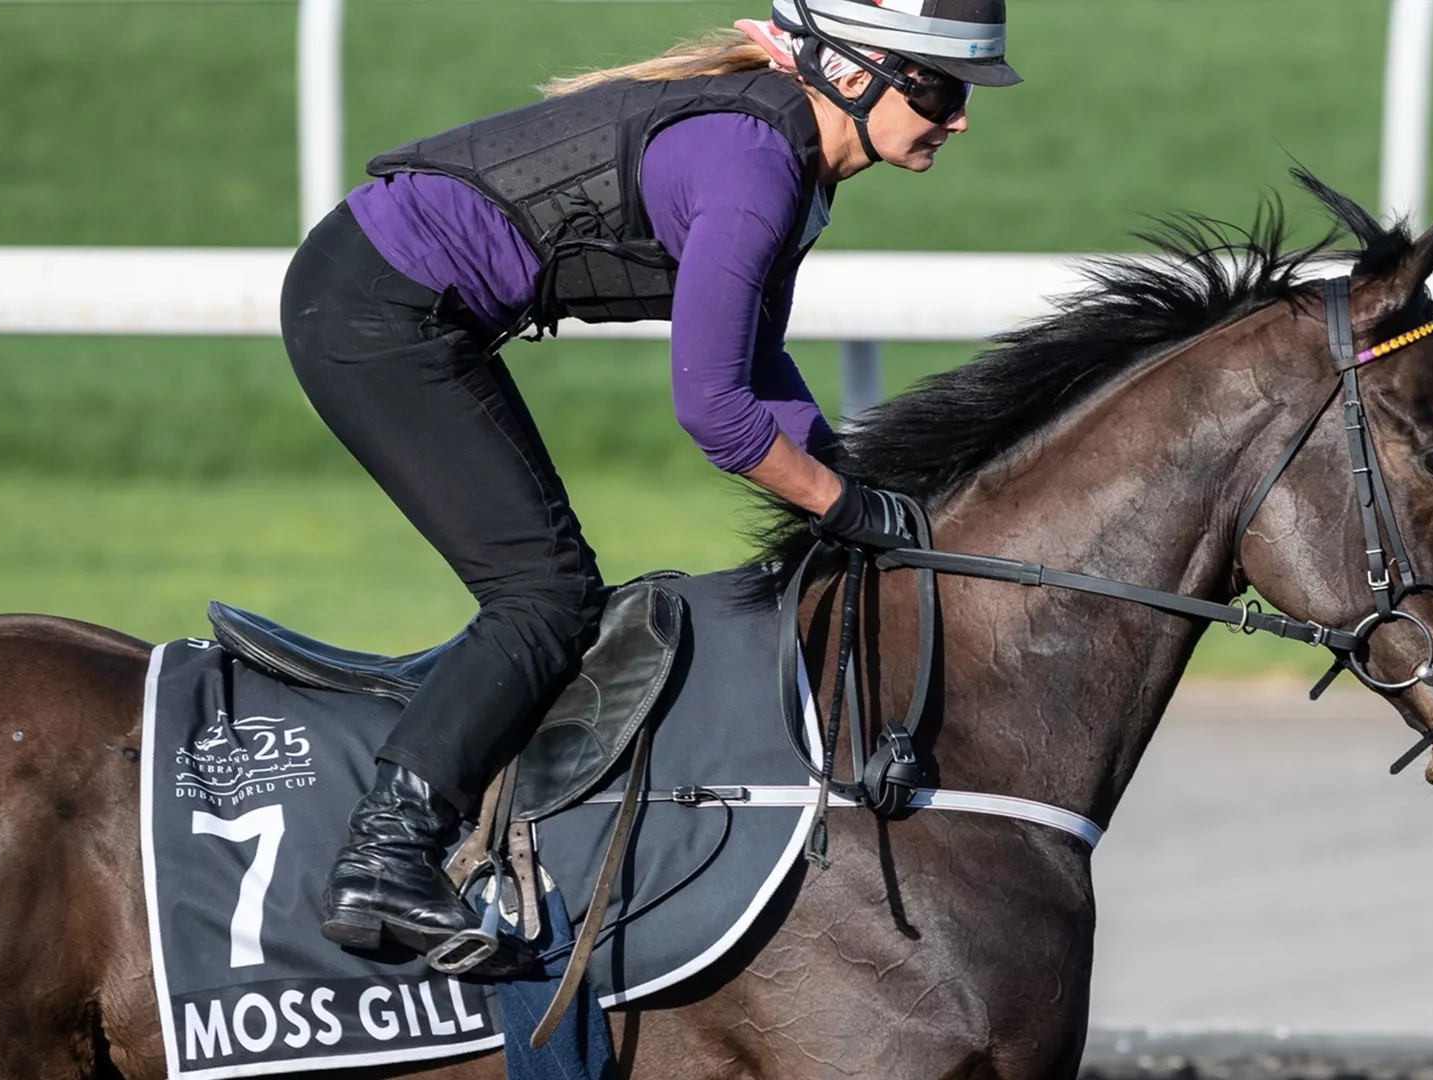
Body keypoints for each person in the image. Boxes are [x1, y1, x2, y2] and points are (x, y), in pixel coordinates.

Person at [279, 0, 1020, 967]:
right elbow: (715, 411)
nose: (958, 117)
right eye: (939, 89)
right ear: (852, 72)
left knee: (550, 588)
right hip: (377, 308)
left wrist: (850, 485)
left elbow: (757, 365)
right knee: (544, 595)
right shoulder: (755, 169)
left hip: (408, 304)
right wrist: (841, 506)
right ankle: (385, 855)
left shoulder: (793, 163)